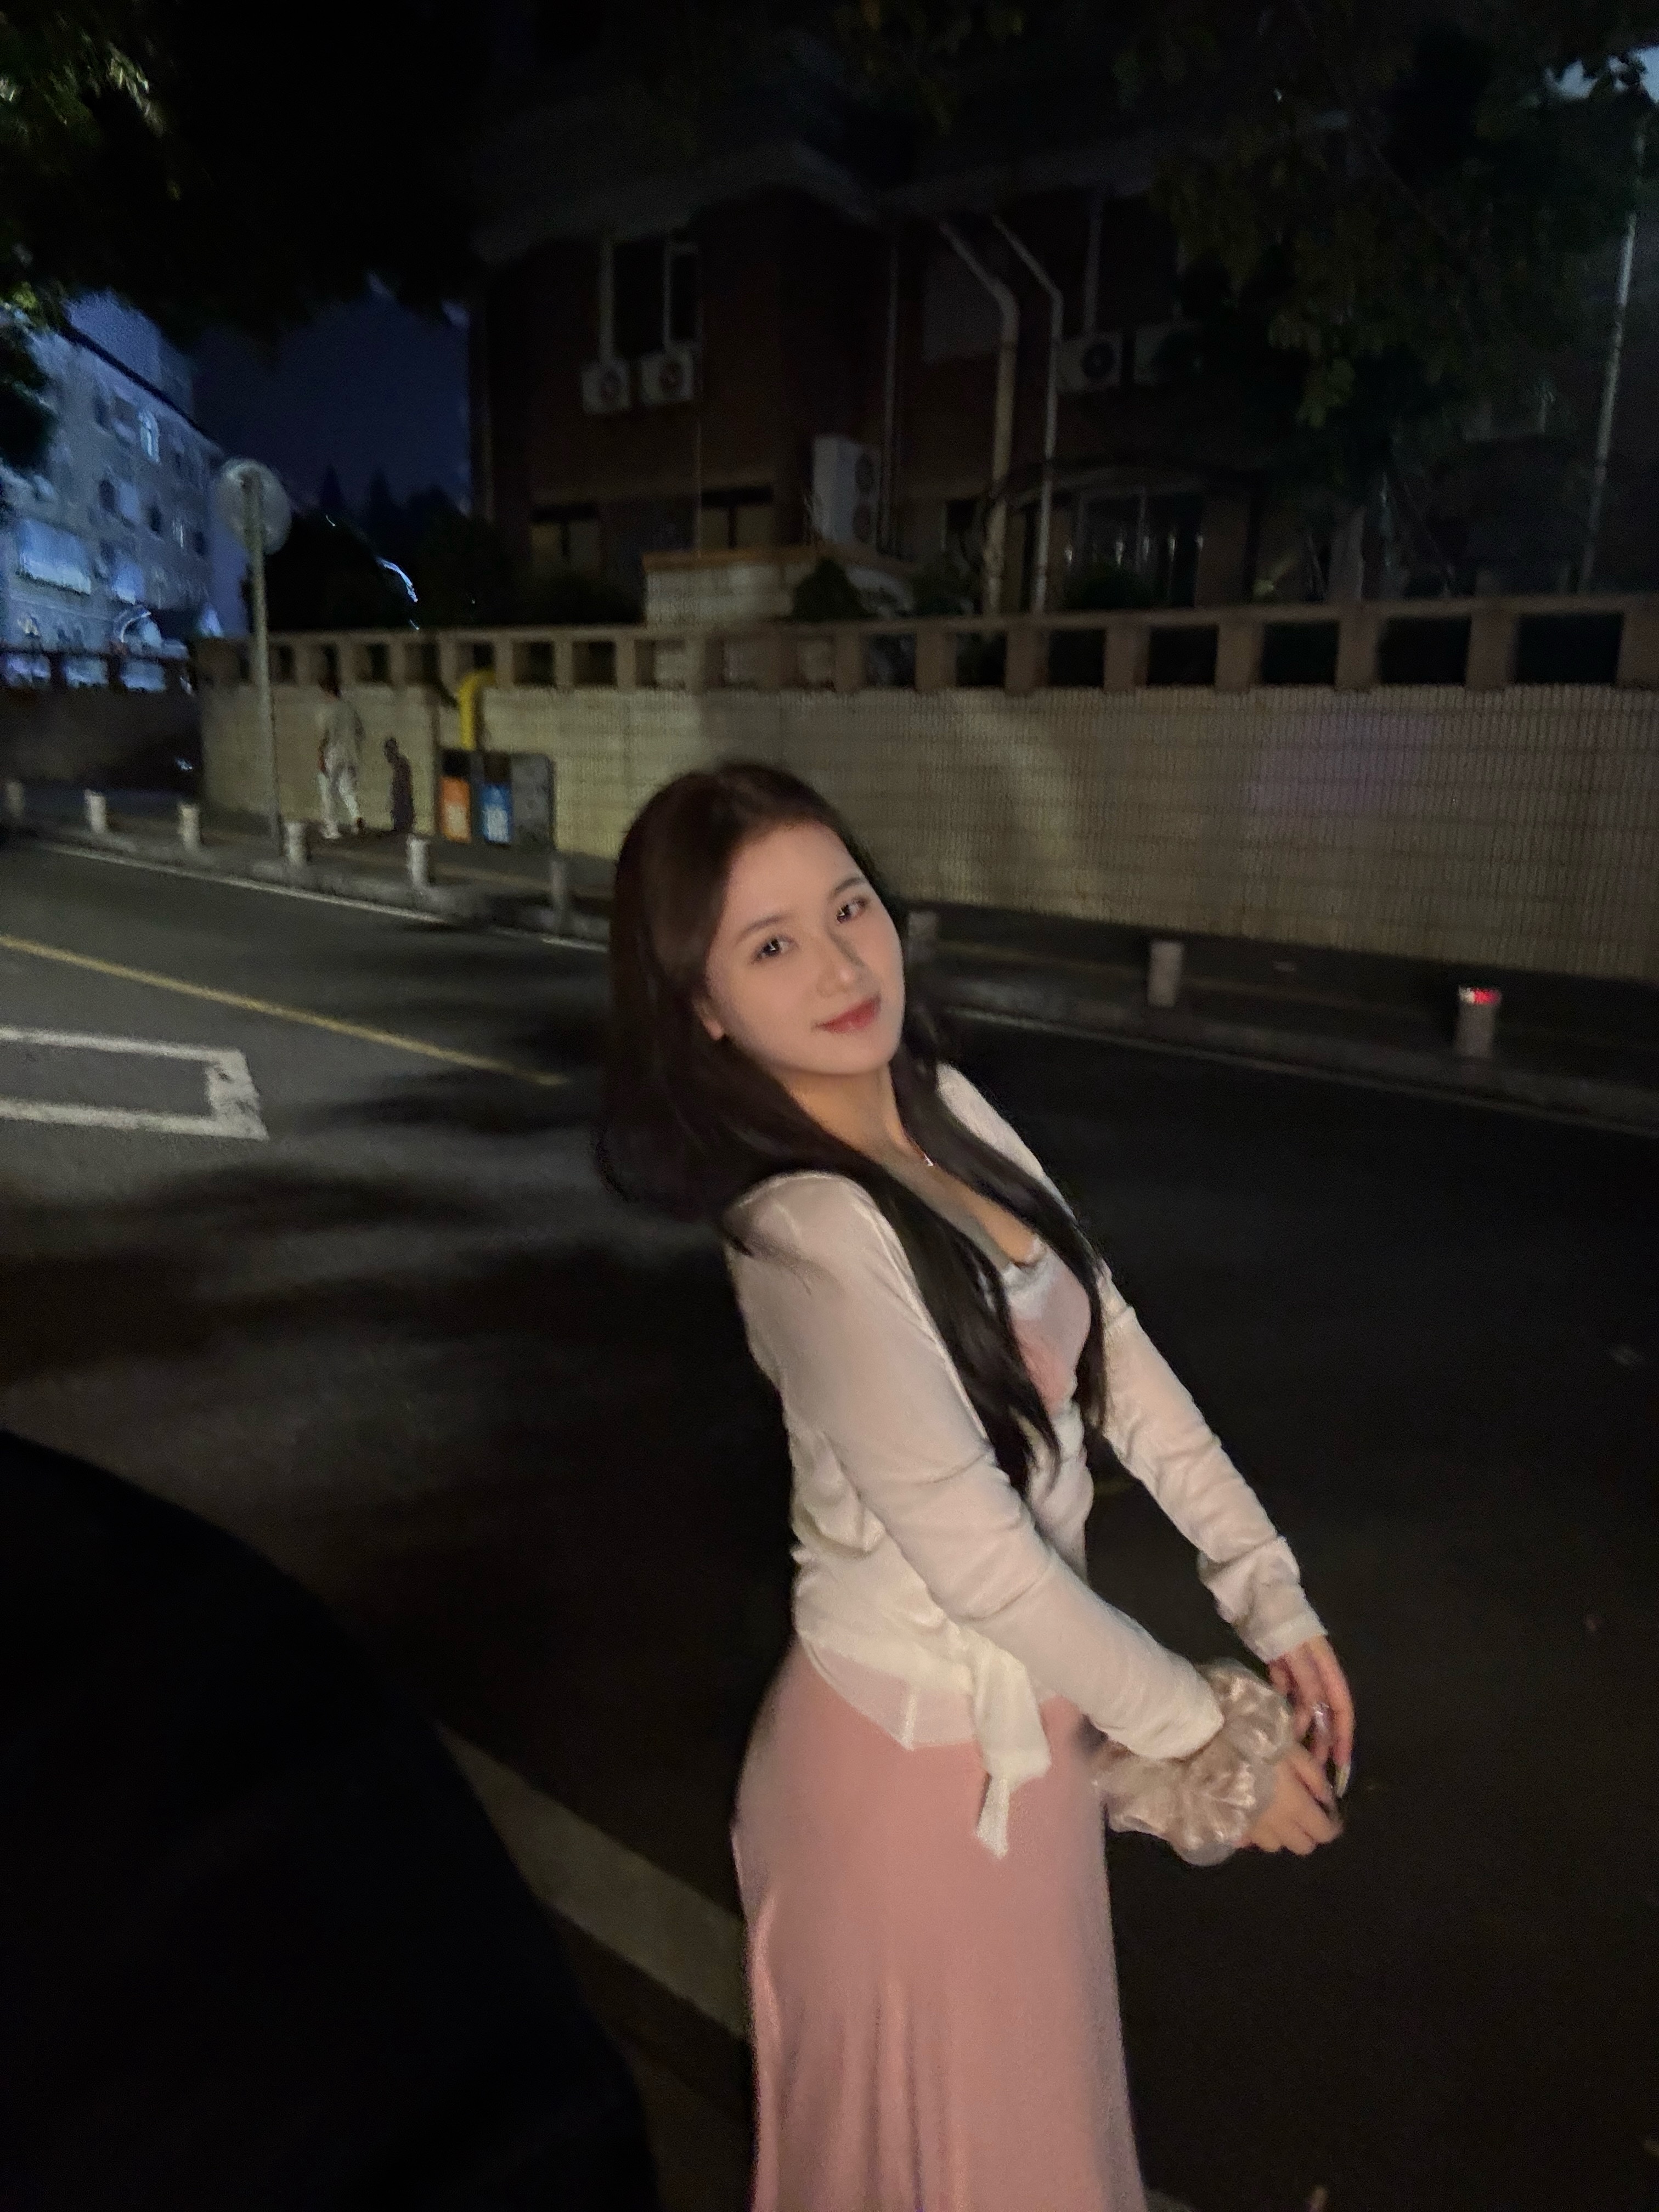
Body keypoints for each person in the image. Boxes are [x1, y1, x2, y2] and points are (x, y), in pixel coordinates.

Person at [596, 761, 1356, 2212]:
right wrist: (1214, 1747)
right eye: (773, 945)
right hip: (902, 1791)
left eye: (850, 909)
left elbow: (1110, 1344)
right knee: (950, 2167)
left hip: (1027, 1756)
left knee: (1033, 2144)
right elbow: (983, 1562)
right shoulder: (805, 1235)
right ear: (704, 1007)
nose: (841, 967)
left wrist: (1266, 1585)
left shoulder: (938, 1102)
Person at [316, 664, 365, 838]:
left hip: (332, 754)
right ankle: (356, 817)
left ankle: (332, 829)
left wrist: (320, 757)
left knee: (327, 791)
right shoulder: (349, 708)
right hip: (350, 754)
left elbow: (323, 736)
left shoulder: (326, 710)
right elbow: (360, 732)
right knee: (347, 788)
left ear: (326, 690)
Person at [386, 733, 416, 835]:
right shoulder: (398, 765)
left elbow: (404, 789)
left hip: (403, 810)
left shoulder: (401, 765)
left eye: (388, 752)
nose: (387, 756)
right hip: (401, 810)